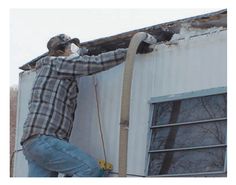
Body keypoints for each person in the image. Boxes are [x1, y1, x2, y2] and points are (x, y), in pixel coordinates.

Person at [20, 34, 127, 177]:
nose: (76, 50)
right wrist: (128, 51)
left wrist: (79, 52)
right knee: (90, 169)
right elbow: (93, 63)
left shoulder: (48, 70)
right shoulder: (56, 64)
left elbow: (75, 61)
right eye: (72, 48)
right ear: (60, 52)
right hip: (45, 139)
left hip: (32, 143)